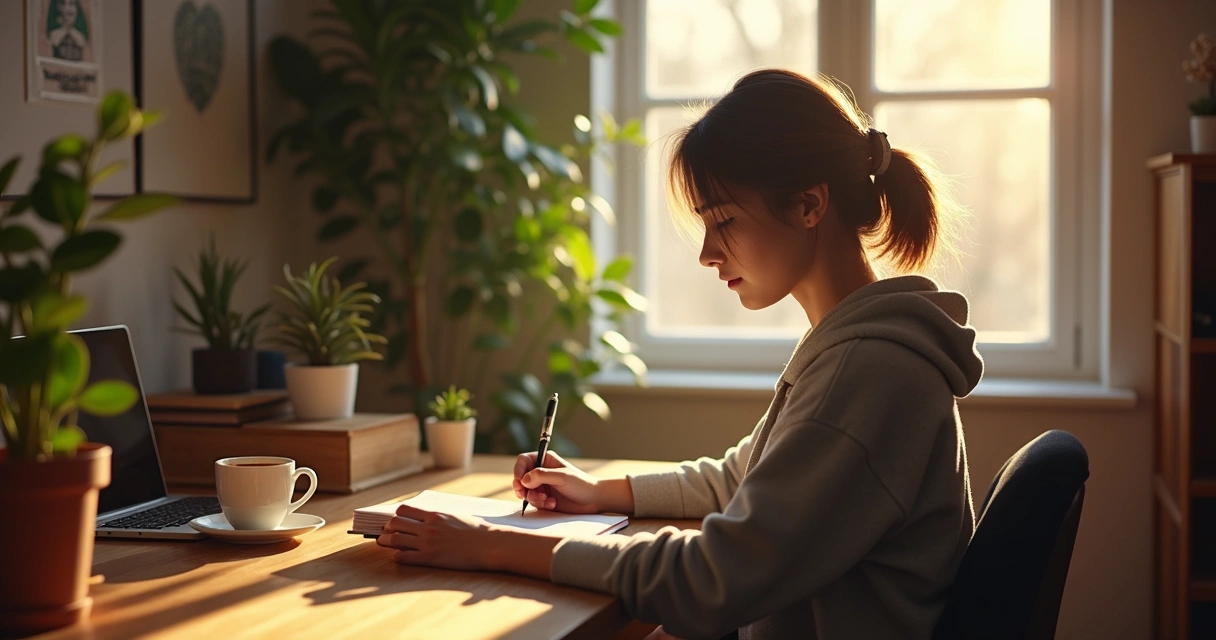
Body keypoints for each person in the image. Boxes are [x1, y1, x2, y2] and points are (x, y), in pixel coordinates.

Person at [377, 68, 983, 640]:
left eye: (724, 222)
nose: (707, 253)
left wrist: (492, 544)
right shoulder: (853, 348)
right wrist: (599, 492)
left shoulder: (868, 372)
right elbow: (744, 477)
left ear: (808, 205)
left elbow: (716, 577)